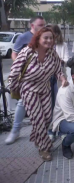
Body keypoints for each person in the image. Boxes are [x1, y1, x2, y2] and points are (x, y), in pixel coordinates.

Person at [8, 27, 68, 161]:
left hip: (45, 89)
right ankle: (44, 147)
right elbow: (15, 70)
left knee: (47, 118)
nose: (49, 40)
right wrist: (13, 87)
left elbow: (58, 70)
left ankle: (38, 137)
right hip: (28, 89)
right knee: (38, 119)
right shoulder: (27, 52)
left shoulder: (52, 54)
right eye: (45, 38)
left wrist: (63, 79)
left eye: (51, 38)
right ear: (38, 39)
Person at [5, 16, 45, 145]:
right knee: (22, 102)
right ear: (32, 26)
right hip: (28, 77)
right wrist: (19, 67)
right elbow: (14, 53)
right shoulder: (23, 37)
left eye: (44, 24)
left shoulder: (45, 37)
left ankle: (43, 132)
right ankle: (15, 130)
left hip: (43, 77)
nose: (43, 27)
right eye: (41, 25)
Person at [47, 24, 69, 141]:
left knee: (59, 102)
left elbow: (66, 59)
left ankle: (60, 129)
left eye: (52, 34)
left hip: (60, 75)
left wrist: (60, 60)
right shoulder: (44, 45)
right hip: (47, 76)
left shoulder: (63, 45)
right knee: (49, 103)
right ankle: (51, 130)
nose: (50, 37)